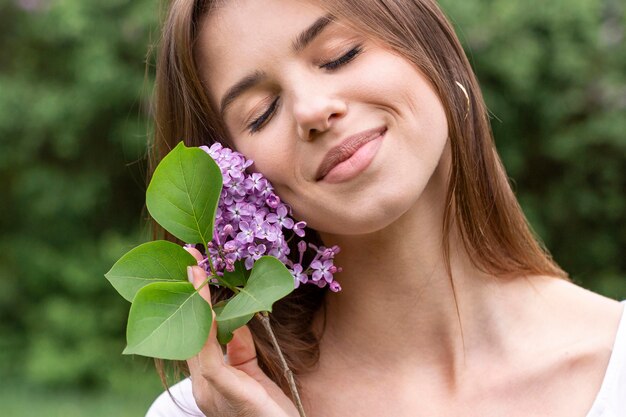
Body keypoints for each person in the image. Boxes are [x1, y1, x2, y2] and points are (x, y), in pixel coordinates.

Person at [145, 0, 626, 416]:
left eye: (339, 55)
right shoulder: (216, 410)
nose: (313, 109)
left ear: (430, 46)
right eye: (261, 112)